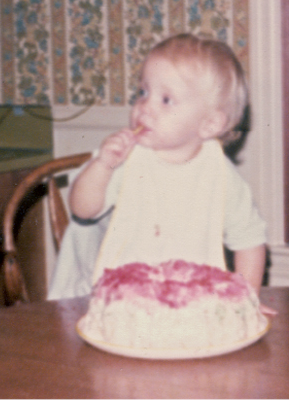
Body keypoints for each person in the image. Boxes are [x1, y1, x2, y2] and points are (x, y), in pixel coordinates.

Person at [49, 33, 274, 314]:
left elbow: (250, 240)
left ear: (209, 124)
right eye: (143, 92)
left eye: (166, 99)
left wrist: (246, 298)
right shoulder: (127, 159)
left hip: (194, 301)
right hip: (125, 299)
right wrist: (103, 165)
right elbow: (82, 210)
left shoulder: (219, 174)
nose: (145, 106)